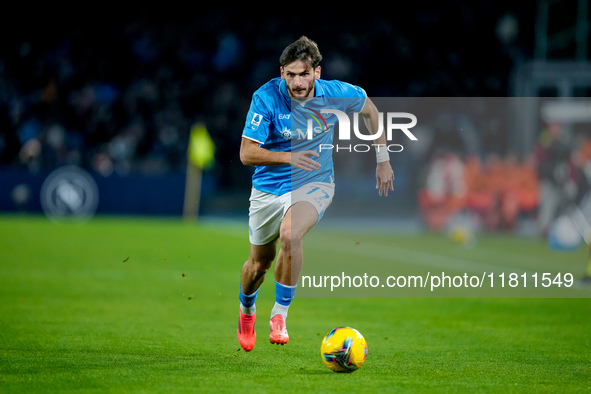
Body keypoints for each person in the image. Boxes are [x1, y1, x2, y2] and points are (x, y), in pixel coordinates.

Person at [236, 36, 394, 351]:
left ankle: (279, 315)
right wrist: (287, 157)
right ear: (282, 73)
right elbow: (246, 153)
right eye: (291, 74)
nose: (297, 81)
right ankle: (247, 310)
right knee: (258, 265)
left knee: (291, 235)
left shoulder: (335, 93)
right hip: (268, 187)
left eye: (304, 74)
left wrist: (382, 159)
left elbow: (370, 110)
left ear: (317, 73)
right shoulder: (265, 98)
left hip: (315, 182)